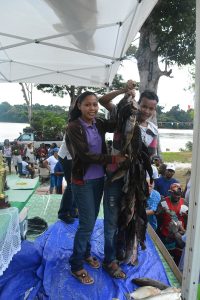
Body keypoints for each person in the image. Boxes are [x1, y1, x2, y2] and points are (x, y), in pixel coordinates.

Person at [99, 82, 159, 277]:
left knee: (130, 220)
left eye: (151, 108)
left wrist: (149, 181)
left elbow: (148, 160)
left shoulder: (152, 132)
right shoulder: (124, 115)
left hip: (135, 185)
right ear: (137, 103)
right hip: (115, 179)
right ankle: (110, 260)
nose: (147, 111)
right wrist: (124, 91)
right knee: (111, 221)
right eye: (144, 106)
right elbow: (103, 100)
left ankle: (122, 251)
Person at [66, 91, 126, 285]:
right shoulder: (74, 127)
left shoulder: (98, 123)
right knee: (86, 224)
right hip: (82, 181)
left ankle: (86, 253)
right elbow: (85, 156)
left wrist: (125, 94)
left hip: (99, 179)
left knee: (90, 221)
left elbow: (117, 122)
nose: (92, 108)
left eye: (95, 105)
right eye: (88, 105)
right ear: (79, 106)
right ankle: (76, 265)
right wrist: (114, 159)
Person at [156, 183, 188, 264]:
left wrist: (186, 216)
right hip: (166, 233)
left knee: (179, 256)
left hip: (180, 233)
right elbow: (157, 214)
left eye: (179, 194)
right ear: (170, 192)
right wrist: (161, 211)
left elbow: (190, 218)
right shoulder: (164, 201)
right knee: (165, 258)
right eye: (175, 194)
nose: (177, 197)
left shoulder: (184, 202)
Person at [57, 135, 77, 224]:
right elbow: (71, 145)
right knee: (71, 185)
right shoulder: (74, 124)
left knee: (76, 185)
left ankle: (72, 211)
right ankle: (63, 213)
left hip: (71, 156)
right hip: (67, 157)